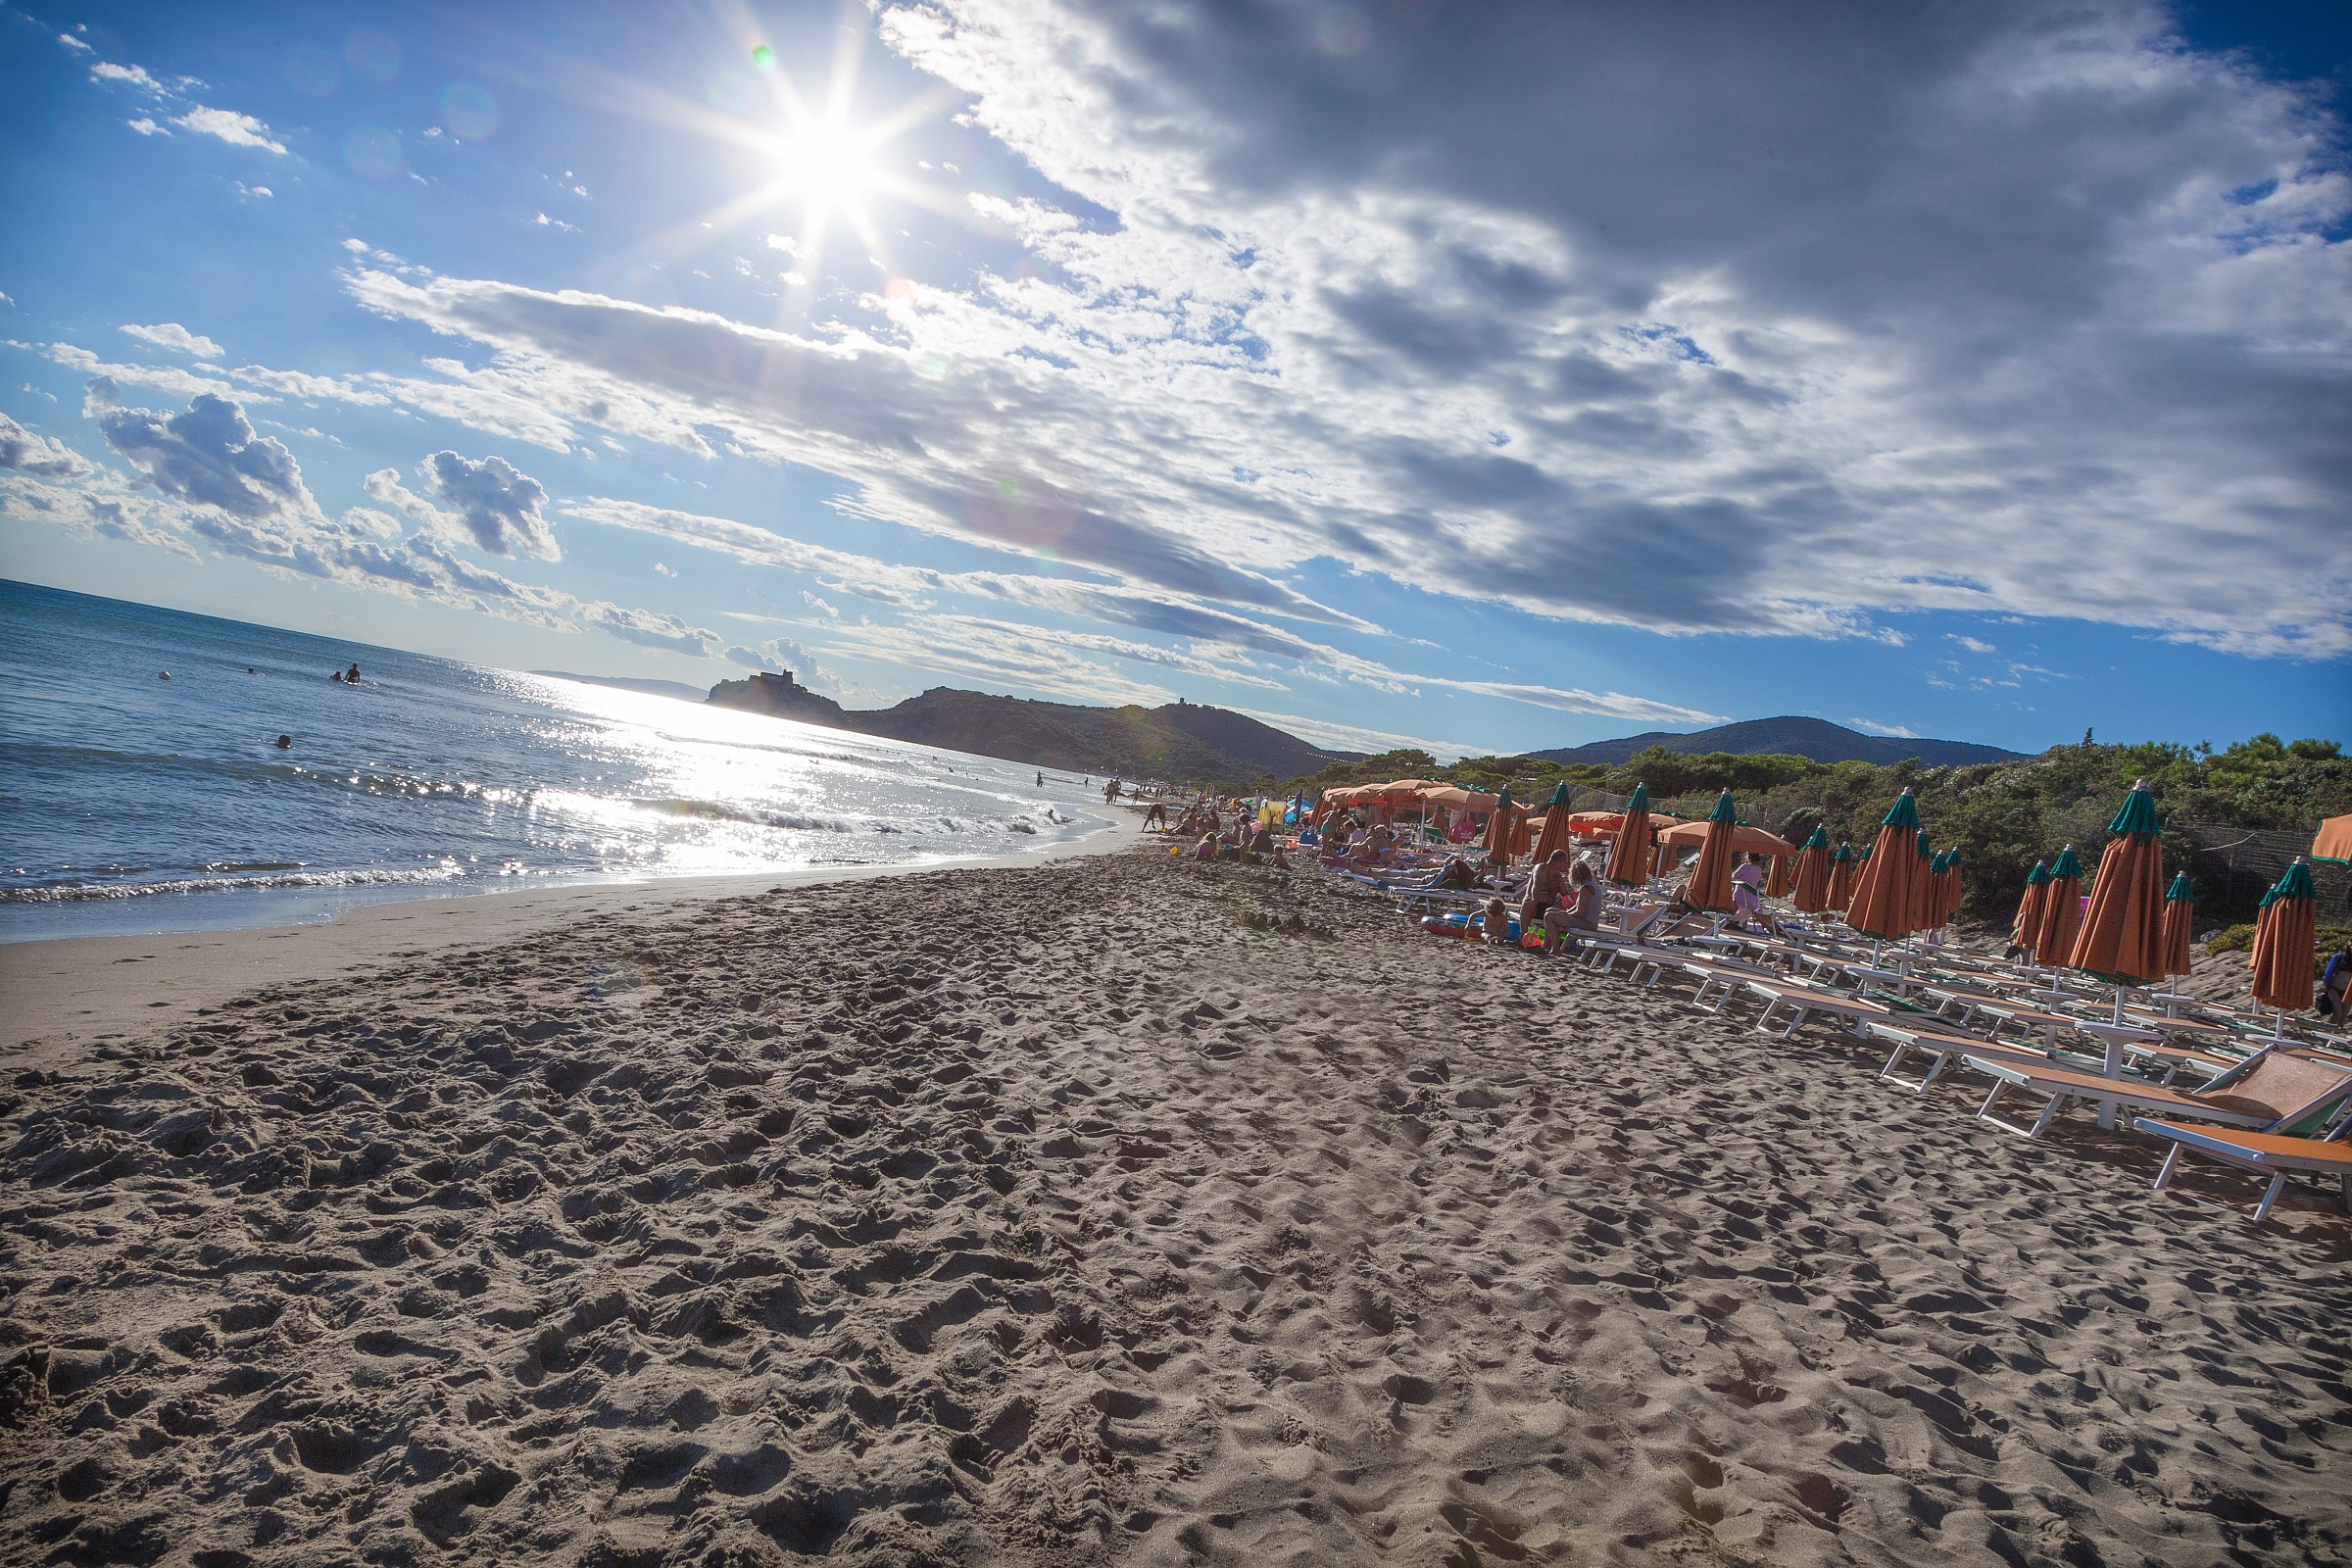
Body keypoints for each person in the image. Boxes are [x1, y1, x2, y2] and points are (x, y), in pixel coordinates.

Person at [1542, 862, 1605, 955]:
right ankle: (1546, 945)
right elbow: (1577, 906)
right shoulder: (1592, 885)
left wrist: (1566, 914)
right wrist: (1565, 912)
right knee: (1549, 911)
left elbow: (1580, 913)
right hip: (1587, 921)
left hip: (1587, 923)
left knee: (1549, 916)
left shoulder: (1586, 889)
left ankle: (1555, 948)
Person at [1519, 849, 1571, 934]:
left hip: (1548, 906)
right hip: (1535, 903)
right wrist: (1535, 900)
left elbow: (1565, 894)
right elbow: (1536, 885)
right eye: (1565, 863)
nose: (1566, 866)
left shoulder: (1558, 876)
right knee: (1528, 904)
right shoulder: (1541, 869)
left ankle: (1554, 940)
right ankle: (1523, 935)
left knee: (1560, 911)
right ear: (1560, 862)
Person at [2321, 942, 2352, 1024]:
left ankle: (2336, 1033)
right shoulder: (2339, 957)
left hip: (2348, 992)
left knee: (2344, 1015)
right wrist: (2325, 984)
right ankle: (2327, 1031)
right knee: (2338, 1013)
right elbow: (2329, 971)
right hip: (2334, 989)